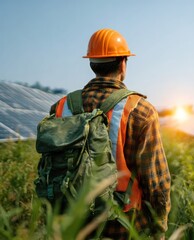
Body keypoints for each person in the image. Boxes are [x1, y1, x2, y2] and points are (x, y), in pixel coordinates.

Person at [49, 28, 171, 239]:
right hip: (123, 223)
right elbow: (156, 180)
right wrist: (159, 226)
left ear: (91, 64)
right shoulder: (141, 110)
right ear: (123, 63)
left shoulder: (61, 107)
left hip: (71, 221)